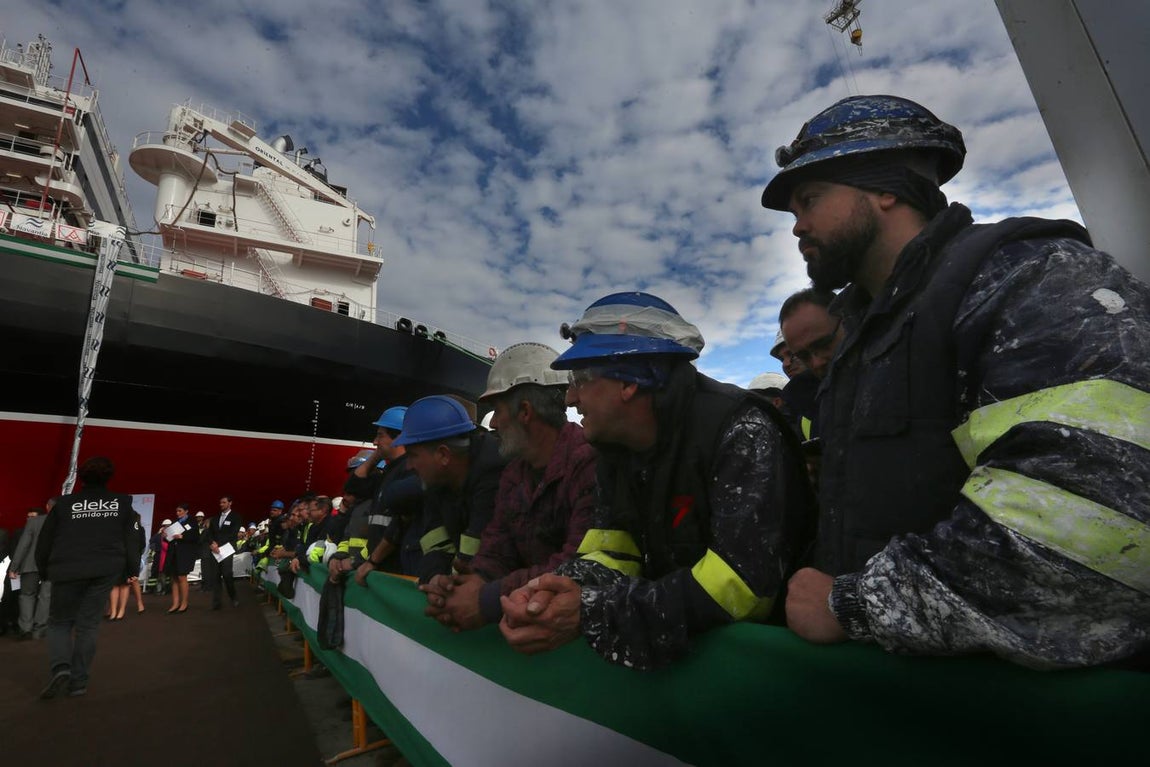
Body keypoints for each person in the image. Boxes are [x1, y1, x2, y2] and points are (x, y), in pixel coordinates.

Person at [760, 94, 1150, 668]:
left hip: (1024, 719)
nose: (798, 226)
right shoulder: (859, 335)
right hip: (900, 696)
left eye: (810, 200)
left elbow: (1097, 522)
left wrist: (855, 604)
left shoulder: (1022, 276)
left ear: (884, 187)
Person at [499, 292, 815, 669]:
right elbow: (614, 552)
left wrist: (590, 613)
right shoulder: (616, 448)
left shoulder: (740, 429)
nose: (570, 398)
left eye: (580, 380)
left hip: (765, 677)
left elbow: (743, 587)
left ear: (628, 382)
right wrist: (551, 592)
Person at [420, 342, 597, 632]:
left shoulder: (588, 464)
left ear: (525, 411)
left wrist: (485, 598)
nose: (494, 424)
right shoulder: (514, 473)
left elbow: (577, 563)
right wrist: (468, 583)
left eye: (497, 410)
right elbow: (497, 546)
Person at [34, 456, 142, 698]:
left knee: (60, 622)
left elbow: (45, 541)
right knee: (88, 625)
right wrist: (133, 569)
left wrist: (44, 570)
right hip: (105, 569)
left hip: (67, 569)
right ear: (109, 477)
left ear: (81, 478)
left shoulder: (63, 504)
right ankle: (79, 681)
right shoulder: (122, 503)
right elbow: (132, 540)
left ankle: (61, 667)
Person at [392, 396, 506, 584]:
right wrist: (434, 577)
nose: (408, 466)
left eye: (412, 456)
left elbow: (479, 553)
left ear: (444, 455)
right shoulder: (436, 479)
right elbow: (435, 540)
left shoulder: (494, 473)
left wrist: (448, 587)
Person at [344, 407, 425, 586]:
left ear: (399, 437)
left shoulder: (410, 471)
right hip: (379, 568)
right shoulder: (388, 472)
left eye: (380, 435)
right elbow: (353, 486)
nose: (375, 442)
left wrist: (373, 560)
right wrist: (376, 455)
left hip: (396, 569)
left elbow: (400, 524)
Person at [9, 507, 51, 640]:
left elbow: (23, 545)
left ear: (48, 507)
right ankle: (40, 630)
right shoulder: (60, 522)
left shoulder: (32, 522)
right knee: (46, 596)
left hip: (30, 564)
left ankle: (26, 629)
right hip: (50, 565)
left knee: (26, 596)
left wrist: (14, 567)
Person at [107, 512, 147, 619]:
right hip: (117, 559)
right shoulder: (116, 528)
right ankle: (112, 610)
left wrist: (135, 557)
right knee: (115, 584)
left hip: (131, 559)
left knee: (132, 581)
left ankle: (139, 604)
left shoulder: (138, 529)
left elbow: (141, 545)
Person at [207, 496, 243, 609]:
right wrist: (212, 543)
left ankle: (233, 596)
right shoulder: (215, 518)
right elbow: (210, 533)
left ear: (230, 503)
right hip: (215, 550)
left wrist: (219, 544)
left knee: (227, 574)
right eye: (220, 502)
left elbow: (233, 533)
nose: (221, 504)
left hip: (227, 549)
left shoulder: (236, 517)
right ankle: (216, 603)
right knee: (216, 576)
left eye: (224, 502)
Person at [165, 504, 199, 613]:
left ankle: (184, 603)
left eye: (180, 511)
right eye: (177, 511)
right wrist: (165, 536)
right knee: (174, 577)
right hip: (174, 553)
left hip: (185, 554)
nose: (177, 513)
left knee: (182, 577)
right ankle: (175, 603)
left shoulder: (192, 521)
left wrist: (182, 536)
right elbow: (169, 539)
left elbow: (196, 537)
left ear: (186, 511)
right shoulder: (175, 522)